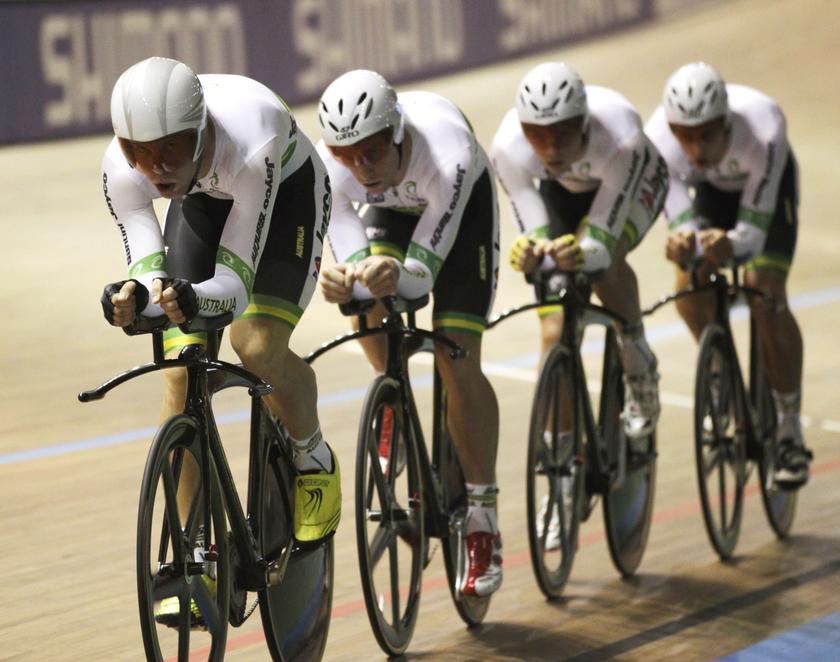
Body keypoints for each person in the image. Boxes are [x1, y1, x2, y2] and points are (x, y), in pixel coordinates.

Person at [99, 57, 340, 622]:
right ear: (123, 145)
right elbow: (148, 264)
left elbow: (233, 286)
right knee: (180, 370)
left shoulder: (250, 140)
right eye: (141, 152)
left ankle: (313, 456)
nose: (155, 168)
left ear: (201, 130)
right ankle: (193, 556)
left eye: (169, 152)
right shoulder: (124, 166)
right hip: (206, 200)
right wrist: (133, 295)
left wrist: (191, 298)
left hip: (285, 203)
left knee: (254, 344)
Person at [315, 69, 503, 597]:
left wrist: (398, 274)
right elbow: (351, 259)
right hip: (393, 215)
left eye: (372, 150)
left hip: (459, 221)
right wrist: (348, 278)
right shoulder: (330, 166)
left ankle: (484, 520)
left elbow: (422, 273)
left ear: (397, 134)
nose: (361, 166)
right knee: (365, 298)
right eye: (347, 154)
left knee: (457, 357)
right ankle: (392, 399)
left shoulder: (450, 153)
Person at [646, 62, 812, 488]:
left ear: (726, 123)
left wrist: (731, 245)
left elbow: (753, 236)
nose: (696, 148)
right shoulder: (658, 143)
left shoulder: (764, 128)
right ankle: (720, 378)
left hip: (765, 195)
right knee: (687, 286)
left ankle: (790, 427)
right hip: (713, 198)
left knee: (764, 290)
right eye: (686, 137)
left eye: (706, 135)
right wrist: (686, 241)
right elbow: (682, 220)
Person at [491, 62, 667, 441]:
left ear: (584, 123)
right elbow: (535, 234)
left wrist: (585, 253)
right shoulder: (508, 147)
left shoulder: (622, 137)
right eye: (538, 136)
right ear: (524, 131)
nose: (551, 148)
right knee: (553, 332)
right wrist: (533, 252)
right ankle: (562, 465)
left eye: (562, 134)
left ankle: (636, 356)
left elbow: (599, 244)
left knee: (606, 260)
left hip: (633, 186)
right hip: (563, 192)